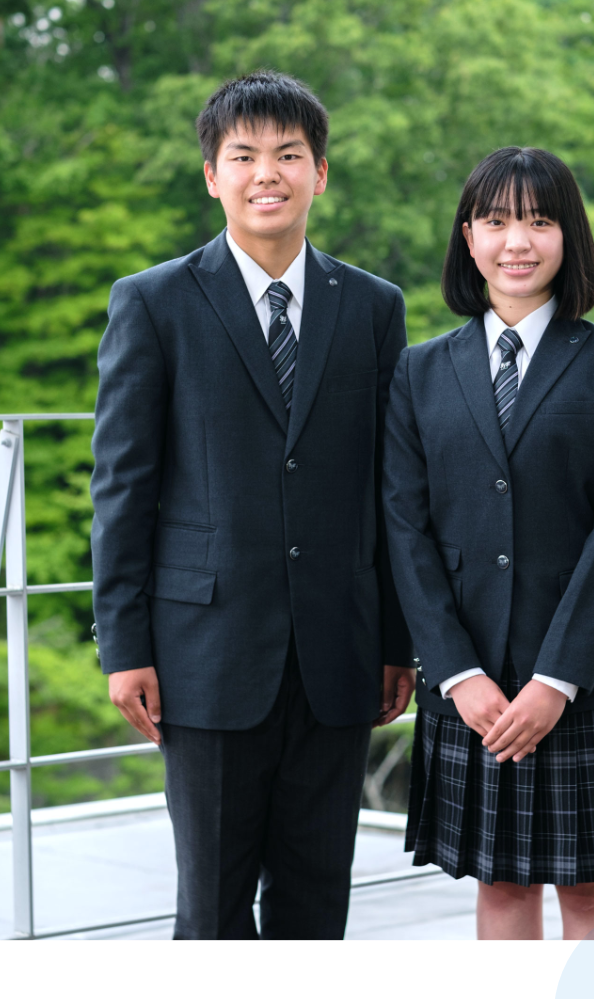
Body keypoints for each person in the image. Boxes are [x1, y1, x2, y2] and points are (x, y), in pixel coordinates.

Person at [90, 70, 415, 941]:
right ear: (212, 174)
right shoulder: (153, 302)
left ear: (319, 174)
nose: (266, 173)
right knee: (213, 908)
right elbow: (122, 483)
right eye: (244, 155)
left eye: (288, 154)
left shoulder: (375, 309)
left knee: (317, 904)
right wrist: (124, 645)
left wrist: (396, 638)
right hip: (204, 653)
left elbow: (393, 488)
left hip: (339, 656)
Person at [382, 146, 594, 942]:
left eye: (540, 221)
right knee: (502, 887)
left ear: (567, 238)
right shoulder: (418, 371)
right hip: (471, 683)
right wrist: (454, 673)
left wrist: (558, 680)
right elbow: (405, 531)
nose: (518, 239)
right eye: (497, 220)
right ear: (468, 238)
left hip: (585, 679)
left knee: (590, 890)